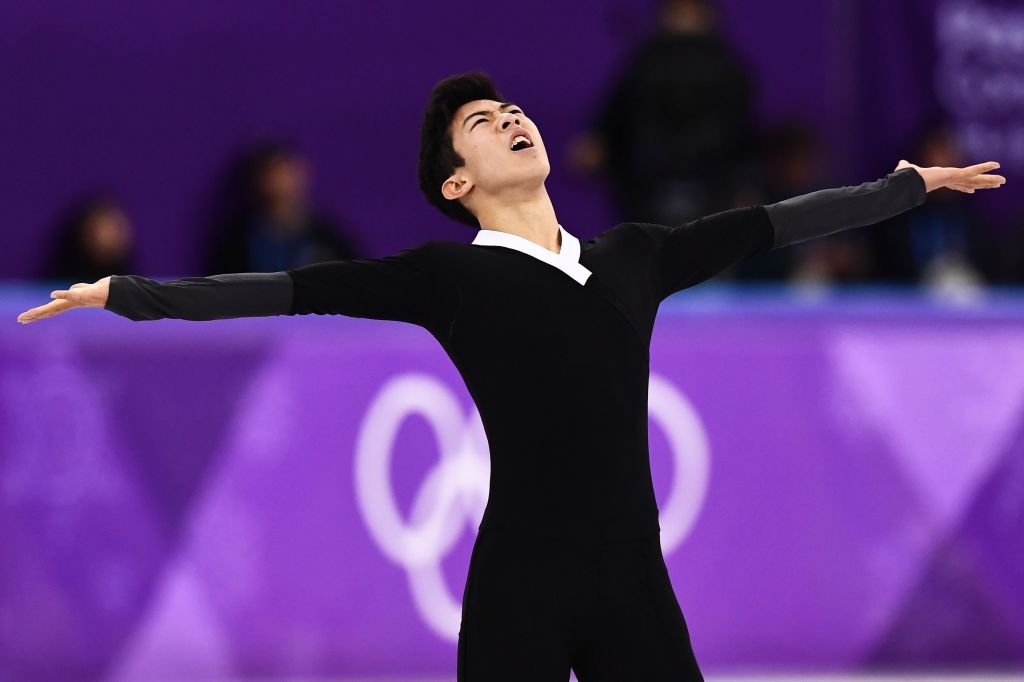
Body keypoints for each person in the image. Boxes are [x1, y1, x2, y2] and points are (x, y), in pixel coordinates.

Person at [17, 72, 1005, 681]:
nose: (511, 118)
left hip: (633, 583)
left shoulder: (634, 255)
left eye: (512, 109)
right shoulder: (448, 275)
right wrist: (131, 295)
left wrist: (904, 187)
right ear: (458, 183)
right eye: (483, 122)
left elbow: (777, 221)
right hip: (517, 587)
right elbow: (286, 288)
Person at [566, 0, 757, 226]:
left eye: (690, 9)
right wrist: (596, 142)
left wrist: (747, 183)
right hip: (646, 187)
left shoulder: (728, 68)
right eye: (677, 9)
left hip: (710, 184)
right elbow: (618, 112)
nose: (683, 18)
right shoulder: (644, 61)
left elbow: (743, 130)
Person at [205, 139, 359, 273]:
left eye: (281, 171)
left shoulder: (330, 239)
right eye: (267, 173)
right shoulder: (235, 241)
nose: (275, 182)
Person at [41, 193, 137, 283]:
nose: (114, 234)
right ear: (86, 234)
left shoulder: (130, 281)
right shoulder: (61, 280)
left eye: (117, 227)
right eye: (106, 227)